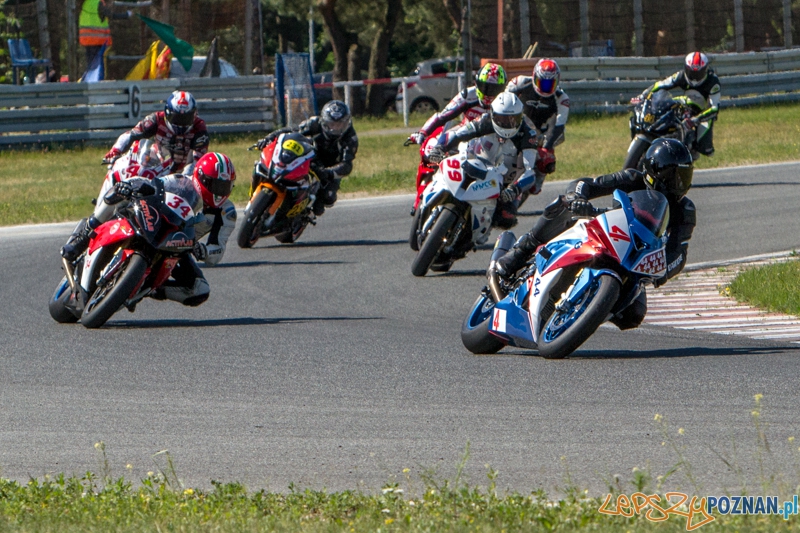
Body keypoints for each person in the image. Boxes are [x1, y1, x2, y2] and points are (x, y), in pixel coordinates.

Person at [494, 138, 696, 330]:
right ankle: (520, 252)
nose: (679, 182)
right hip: (607, 234)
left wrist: (661, 271)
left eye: (684, 176)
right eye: (673, 175)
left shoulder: (685, 210)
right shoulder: (632, 178)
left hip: (635, 258)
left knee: (634, 314)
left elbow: (679, 253)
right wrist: (578, 197)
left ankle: (583, 312)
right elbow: (588, 184)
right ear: (654, 170)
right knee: (563, 204)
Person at [61, 153, 237, 302]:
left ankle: (149, 288)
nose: (219, 192)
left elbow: (217, 250)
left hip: (179, 247)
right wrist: (132, 186)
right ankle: (83, 236)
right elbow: (154, 184)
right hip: (153, 223)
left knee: (200, 290)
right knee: (119, 192)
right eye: (216, 185)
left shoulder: (226, 214)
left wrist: (202, 251)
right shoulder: (182, 182)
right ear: (202, 178)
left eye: (225, 187)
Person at [429, 92, 538, 229]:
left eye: (513, 119)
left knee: (506, 218)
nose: (508, 124)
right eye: (502, 119)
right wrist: (440, 147)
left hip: (506, 179)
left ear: (520, 116)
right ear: (493, 114)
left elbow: (529, 171)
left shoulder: (529, 133)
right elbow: (456, 134)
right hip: (475, 160)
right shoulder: (484, 120)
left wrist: (515, 189)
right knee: (437, 164)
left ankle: (476, 232)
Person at [256, 100, 357, 216]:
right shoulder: (314, 122)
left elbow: (347, 165)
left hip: (330, 167)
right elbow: (292, 131)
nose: (335, 129)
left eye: (340, 125)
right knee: (284, 168)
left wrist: (328, 173)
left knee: (327, 199)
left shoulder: (350, 138)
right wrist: (269, 138)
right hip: (309, 156)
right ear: (324, 121)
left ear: (347, 123)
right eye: (332, 124)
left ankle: (303, 214)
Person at [633, 52, 720, 157]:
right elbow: (661, 85)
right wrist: (643, 96)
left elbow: (715, 108)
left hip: (698, 111)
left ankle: (689, 151)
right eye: (691, 73)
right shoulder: (681, 75)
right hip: (679, 103)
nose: (694, 77)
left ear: (705, 70)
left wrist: (695, 119)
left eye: (698, 74)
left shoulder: (713, 82)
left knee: (705, 142)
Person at [103, 91, 210, 174]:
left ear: (194, 115)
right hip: (154, 168)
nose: (181, 124)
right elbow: (131, 134)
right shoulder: (156, 119)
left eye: (186, 118)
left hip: (183, 174)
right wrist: (115, 151)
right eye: (177, 118)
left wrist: (185, 178)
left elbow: (198, 160)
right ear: (167, 113)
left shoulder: (199, 127)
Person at [506, 58, 570, 194]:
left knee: (547, 161)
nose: (545, 88)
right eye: (542, 83)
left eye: (549, 84)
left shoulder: (561, 98)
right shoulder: (520, 83)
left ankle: (538, 177)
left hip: (541, 135)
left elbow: (559, 126)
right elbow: (504, 102)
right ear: (534, 76)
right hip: (516, 126)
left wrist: (546, 148)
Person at [405, 62, 508, 147]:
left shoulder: (508, 101)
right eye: (485, 87)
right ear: (477, 84)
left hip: (496, 142)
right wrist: (423, 132)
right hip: (465, 136)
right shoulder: (468, 95)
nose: (489, 93)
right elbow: (442, 116)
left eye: (495, 89)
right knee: (437, 146)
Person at [79, 0, 132, 66]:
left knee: (91, 65)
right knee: (98, 65)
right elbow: (110, 15)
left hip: (87, 40)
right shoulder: (98, 3)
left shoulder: (86, 2)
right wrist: (126, 15)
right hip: (97, 40)